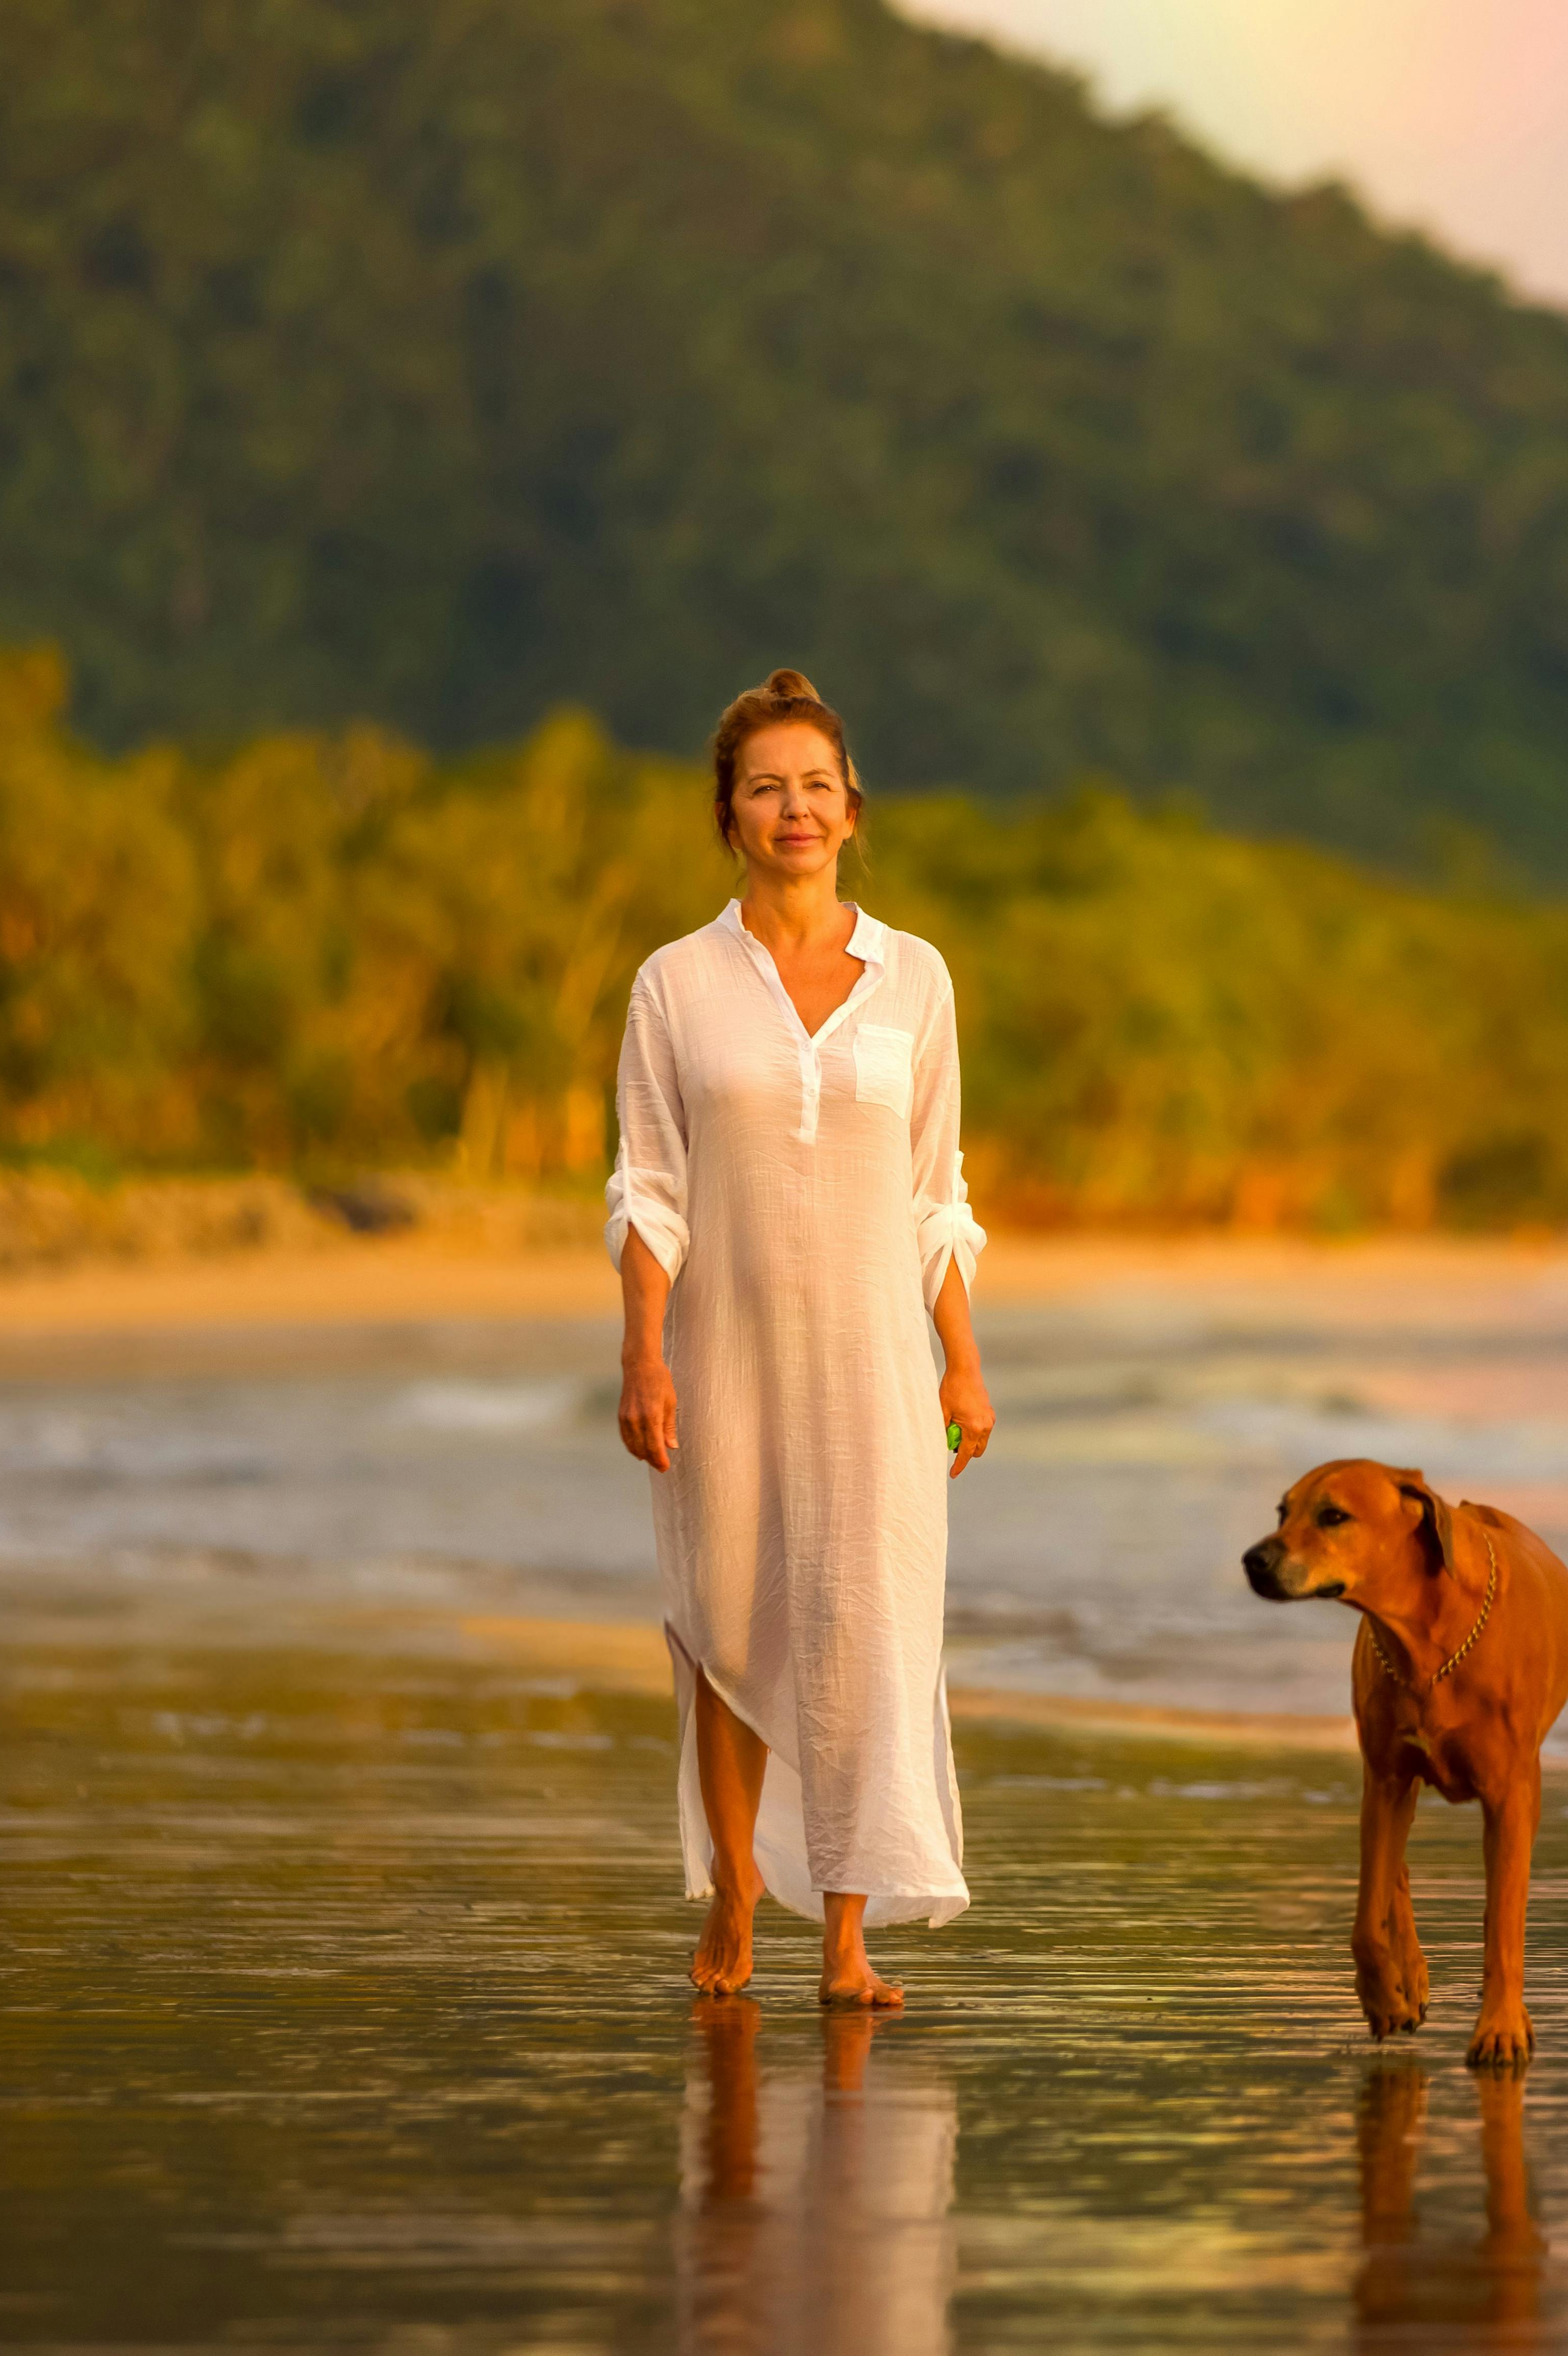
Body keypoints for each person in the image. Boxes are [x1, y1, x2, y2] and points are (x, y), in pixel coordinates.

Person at [607, 668, 994, 2009]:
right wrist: (644, 1348)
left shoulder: (917, 980)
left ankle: (842, 1935)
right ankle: (732, 1892)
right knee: (725, 1622)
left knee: (860, 1623)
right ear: (729, 816)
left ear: (853, 812)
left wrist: (963, 1356)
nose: (795, 809)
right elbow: (649, 1187)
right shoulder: (676, 985)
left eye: (817, 787)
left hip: (879, 1366)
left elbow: (936, 1194)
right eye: (767, 788)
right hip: (724, 1358)